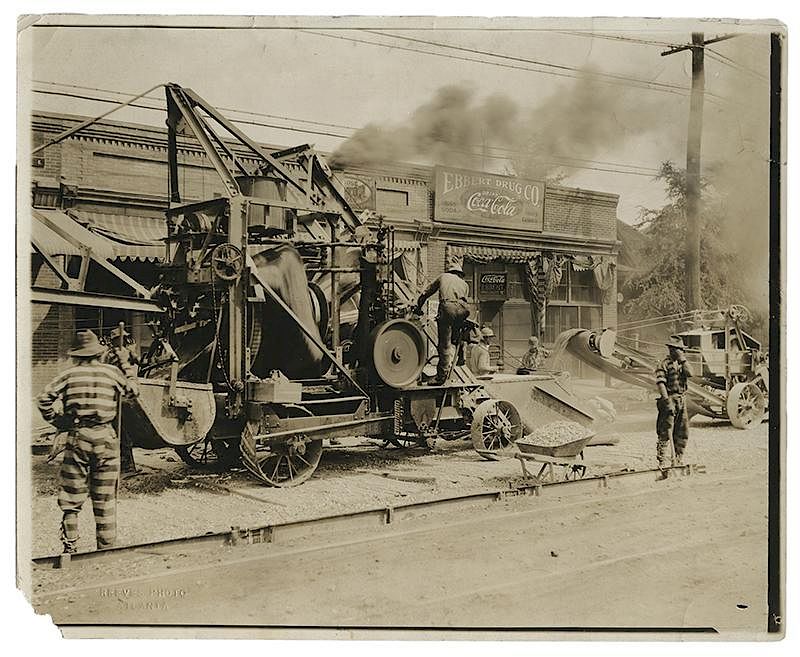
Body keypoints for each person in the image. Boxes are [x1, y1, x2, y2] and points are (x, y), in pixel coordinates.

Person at [37, 330, 138, 554]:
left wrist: (59, 422)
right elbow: (133, 392)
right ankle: (106, 549)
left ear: (76, 355)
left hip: (78, 437)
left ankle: (70, 548)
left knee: (72, 496)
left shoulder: (69, 375)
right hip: (106, 439)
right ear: (99, 353)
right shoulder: (112, 372)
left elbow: (43, 399)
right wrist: (125, 365)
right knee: (105, 498)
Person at [414, 255, 471, 384]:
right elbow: (464, 301)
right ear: (459, 273)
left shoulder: (443, 277)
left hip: (448, 307)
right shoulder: (464, 283)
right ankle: (461, 355)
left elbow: (425, 293)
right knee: (457, 334)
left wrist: (418, 308)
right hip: (464, 308)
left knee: (444, 344)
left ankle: (441, 377)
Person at [654, 335, 694, 476]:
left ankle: (678, 458)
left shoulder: (683, 364)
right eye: (676, 349)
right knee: (665, 431)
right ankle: (662, 461)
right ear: (671, 350)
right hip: (669, 399)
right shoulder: (664, 364)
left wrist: (683, 359)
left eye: (680, 350)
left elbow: (691, 373)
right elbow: (660, 383)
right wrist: (666, 401)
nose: (678, 352)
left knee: (682, 431)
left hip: (681, 400)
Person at [103, 326, 140, 471]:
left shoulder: (121, 352)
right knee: (119, 431)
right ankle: (125, 465)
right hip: (115, 397)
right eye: (120, 339)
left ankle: (127, 464)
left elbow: (139, 360)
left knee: (122, 431)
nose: (123, 341)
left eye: (123, 338)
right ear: (114, 341)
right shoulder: (111, 355)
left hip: (121, 397)